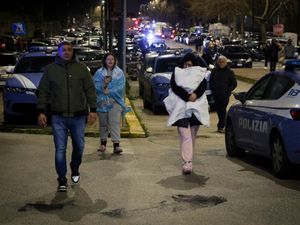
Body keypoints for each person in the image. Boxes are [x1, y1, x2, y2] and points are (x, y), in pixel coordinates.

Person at [37, 41, 97, 192]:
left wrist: (93, 109)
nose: (67, 52)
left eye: (69, 50)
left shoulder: (82, 68)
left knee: (79, 147)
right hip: (58, 117)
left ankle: (75, 168)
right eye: (63, 50)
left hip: (78, 117)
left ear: (72, 52)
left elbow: (90, 90)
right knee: (60, 150)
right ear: (58, 52)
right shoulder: (50, 70)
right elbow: (43, 91)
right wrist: (41, 111)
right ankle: (62, 179)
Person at [164, 53, 210, 174]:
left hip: (195, 108)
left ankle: (188, 160)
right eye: (185, 64)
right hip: (181, 109)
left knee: (191, 136)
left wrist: (195, 95)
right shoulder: (177, 73)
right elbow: (174, 86)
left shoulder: (200, 73)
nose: (187, 66)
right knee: (186, 136)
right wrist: (186, 96)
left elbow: (203, 85)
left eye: (190, 64)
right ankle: (187, 162)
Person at [93, 53, 129, 155]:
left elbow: (121, 87)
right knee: (103, 123)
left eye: (112, 59)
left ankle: (116, 145)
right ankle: (103, 143)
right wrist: (103, 85)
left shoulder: (119, 73)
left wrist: (111, 91)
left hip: (115, 101)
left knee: (114, 122)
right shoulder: (99, 73)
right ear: (104, 61)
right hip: (102, 102)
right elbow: (95, 85)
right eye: (108, 59)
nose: (110, 61)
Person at [210, 55, 237, 133]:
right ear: (218, 62)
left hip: (225, 95)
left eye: (223, 62)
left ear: (226, 63)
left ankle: (221, 126)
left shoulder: (230, 72)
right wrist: (213, 89)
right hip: (216, 94)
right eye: (220, 62)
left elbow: (234, 83)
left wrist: (228, 90)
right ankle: (221, 124)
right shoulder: (214, 71)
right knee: (218, 110)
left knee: (223, 109)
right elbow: (211, 81)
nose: (221, 63)